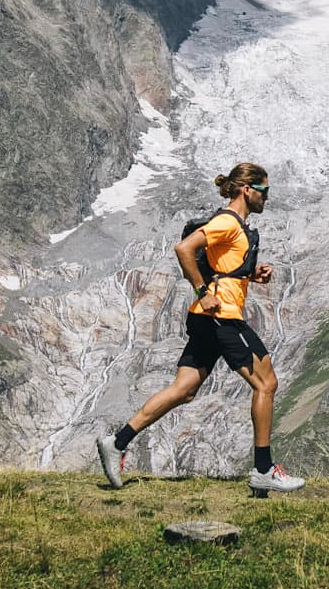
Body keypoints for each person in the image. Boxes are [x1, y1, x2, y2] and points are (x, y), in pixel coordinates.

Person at [95, 162, 305, 494]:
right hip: (220, 315)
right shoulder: (227, 222)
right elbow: (184, 249)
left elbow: (223, 266)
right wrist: (203, 292)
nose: (268, 197)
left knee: (184, 389)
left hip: (207, 317)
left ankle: (117, 442)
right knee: (266, 383)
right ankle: (264, 470)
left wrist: (251, 275)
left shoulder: (237, 227)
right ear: (247, 190)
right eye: (264, 191)